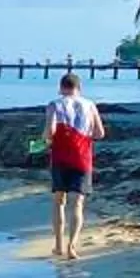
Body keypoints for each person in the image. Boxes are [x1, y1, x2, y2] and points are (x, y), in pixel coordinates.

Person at [44, 72, 105, 260]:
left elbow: (50, 131)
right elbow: (99, 133)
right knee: (77, 203)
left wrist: (46, 140)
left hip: (60, 157)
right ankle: (72, 246)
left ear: (61, 88)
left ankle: (58, 245)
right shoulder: (90, 105)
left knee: (59, 201)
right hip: (82, 158)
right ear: (79, 88)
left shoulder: (55, 105)